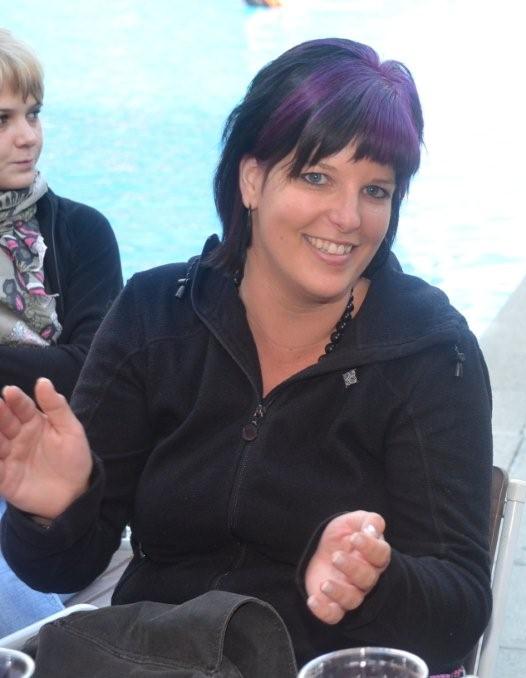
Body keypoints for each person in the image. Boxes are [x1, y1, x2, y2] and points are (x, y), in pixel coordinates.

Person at [0, 38, 492, 675]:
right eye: (317, 177)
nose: (348, 217)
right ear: (252, 178)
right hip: (156, 656)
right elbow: (66, 567)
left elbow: (459, 609)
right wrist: (55, 509)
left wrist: (372, 581)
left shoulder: (429, 352)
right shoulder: (156, 315)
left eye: (376, 190)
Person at [0, 29, 122, 637]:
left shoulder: (83, 232)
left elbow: (89, 374)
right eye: (2, 120)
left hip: (68, 483)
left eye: (33, 113)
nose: (28, 136)